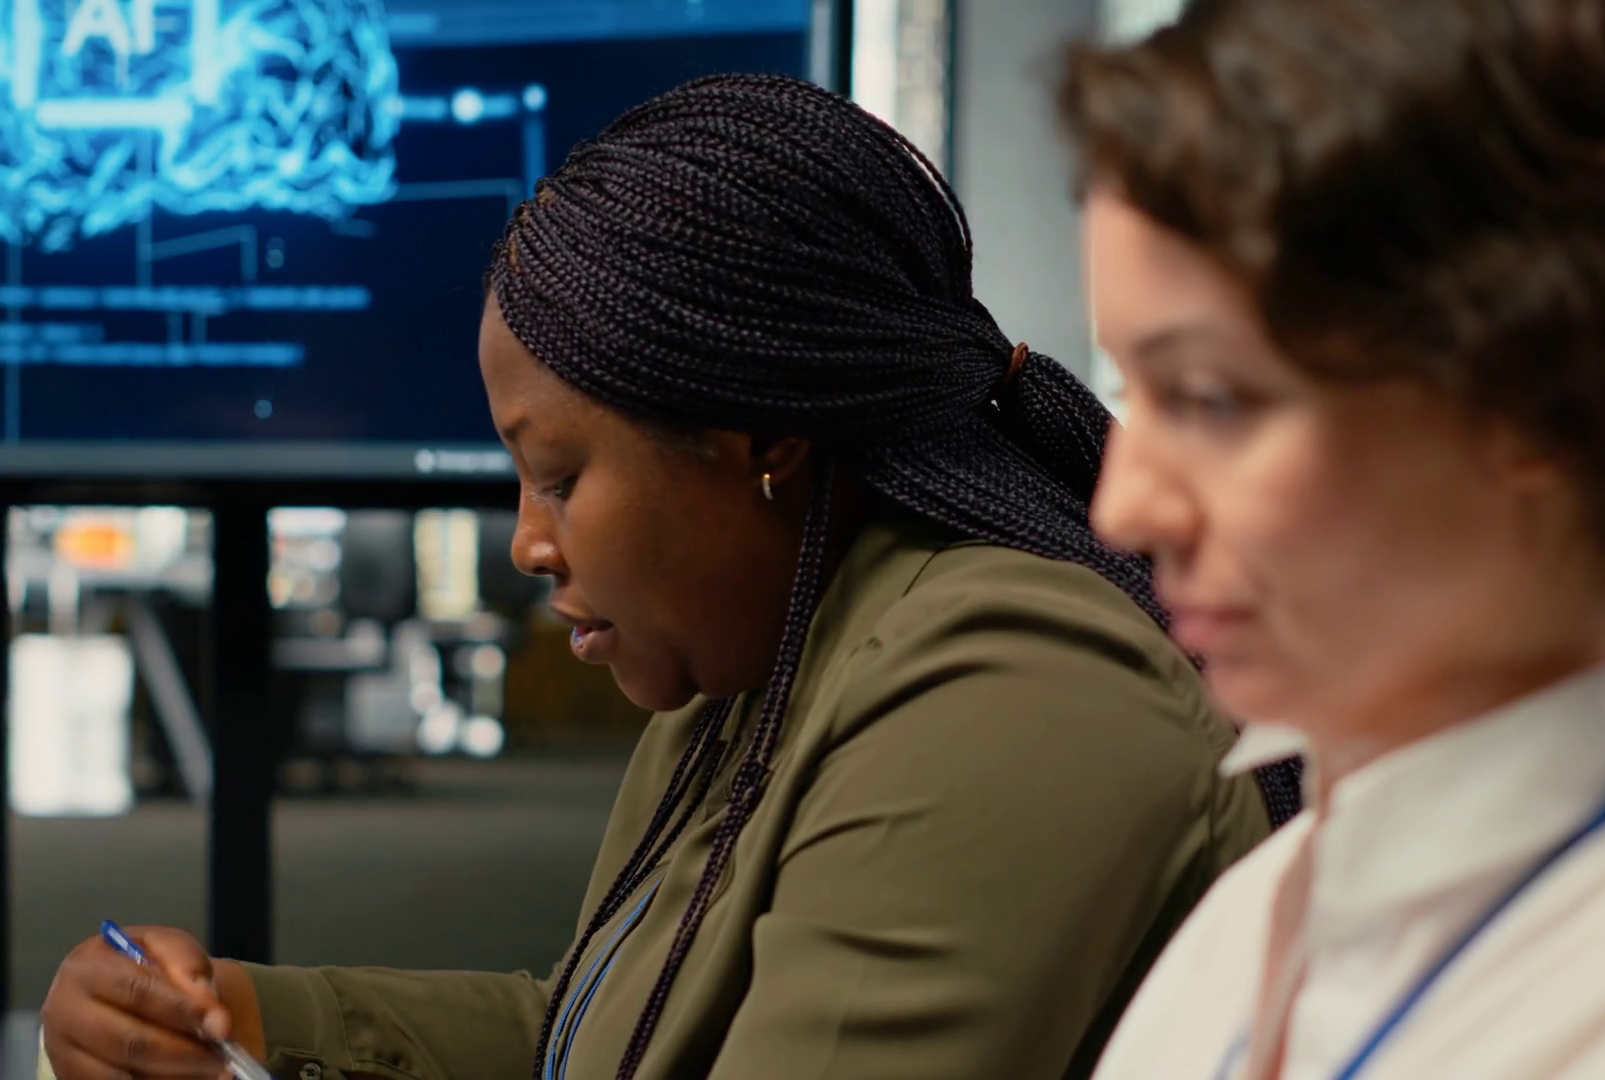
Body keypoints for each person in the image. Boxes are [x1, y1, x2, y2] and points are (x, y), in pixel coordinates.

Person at [38, 74, 1280, 1080]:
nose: (528, 543)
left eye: (559, 477)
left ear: (764, 441)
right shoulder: (748, 672)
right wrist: (243, 1022)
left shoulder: (1008, 688)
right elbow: (606, 1041)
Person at [1058, 0, 1605, 1077]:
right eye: (1131, 391)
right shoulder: (1287, 891)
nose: (1126, 509)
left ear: (1539, 399)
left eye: (1212, 398)